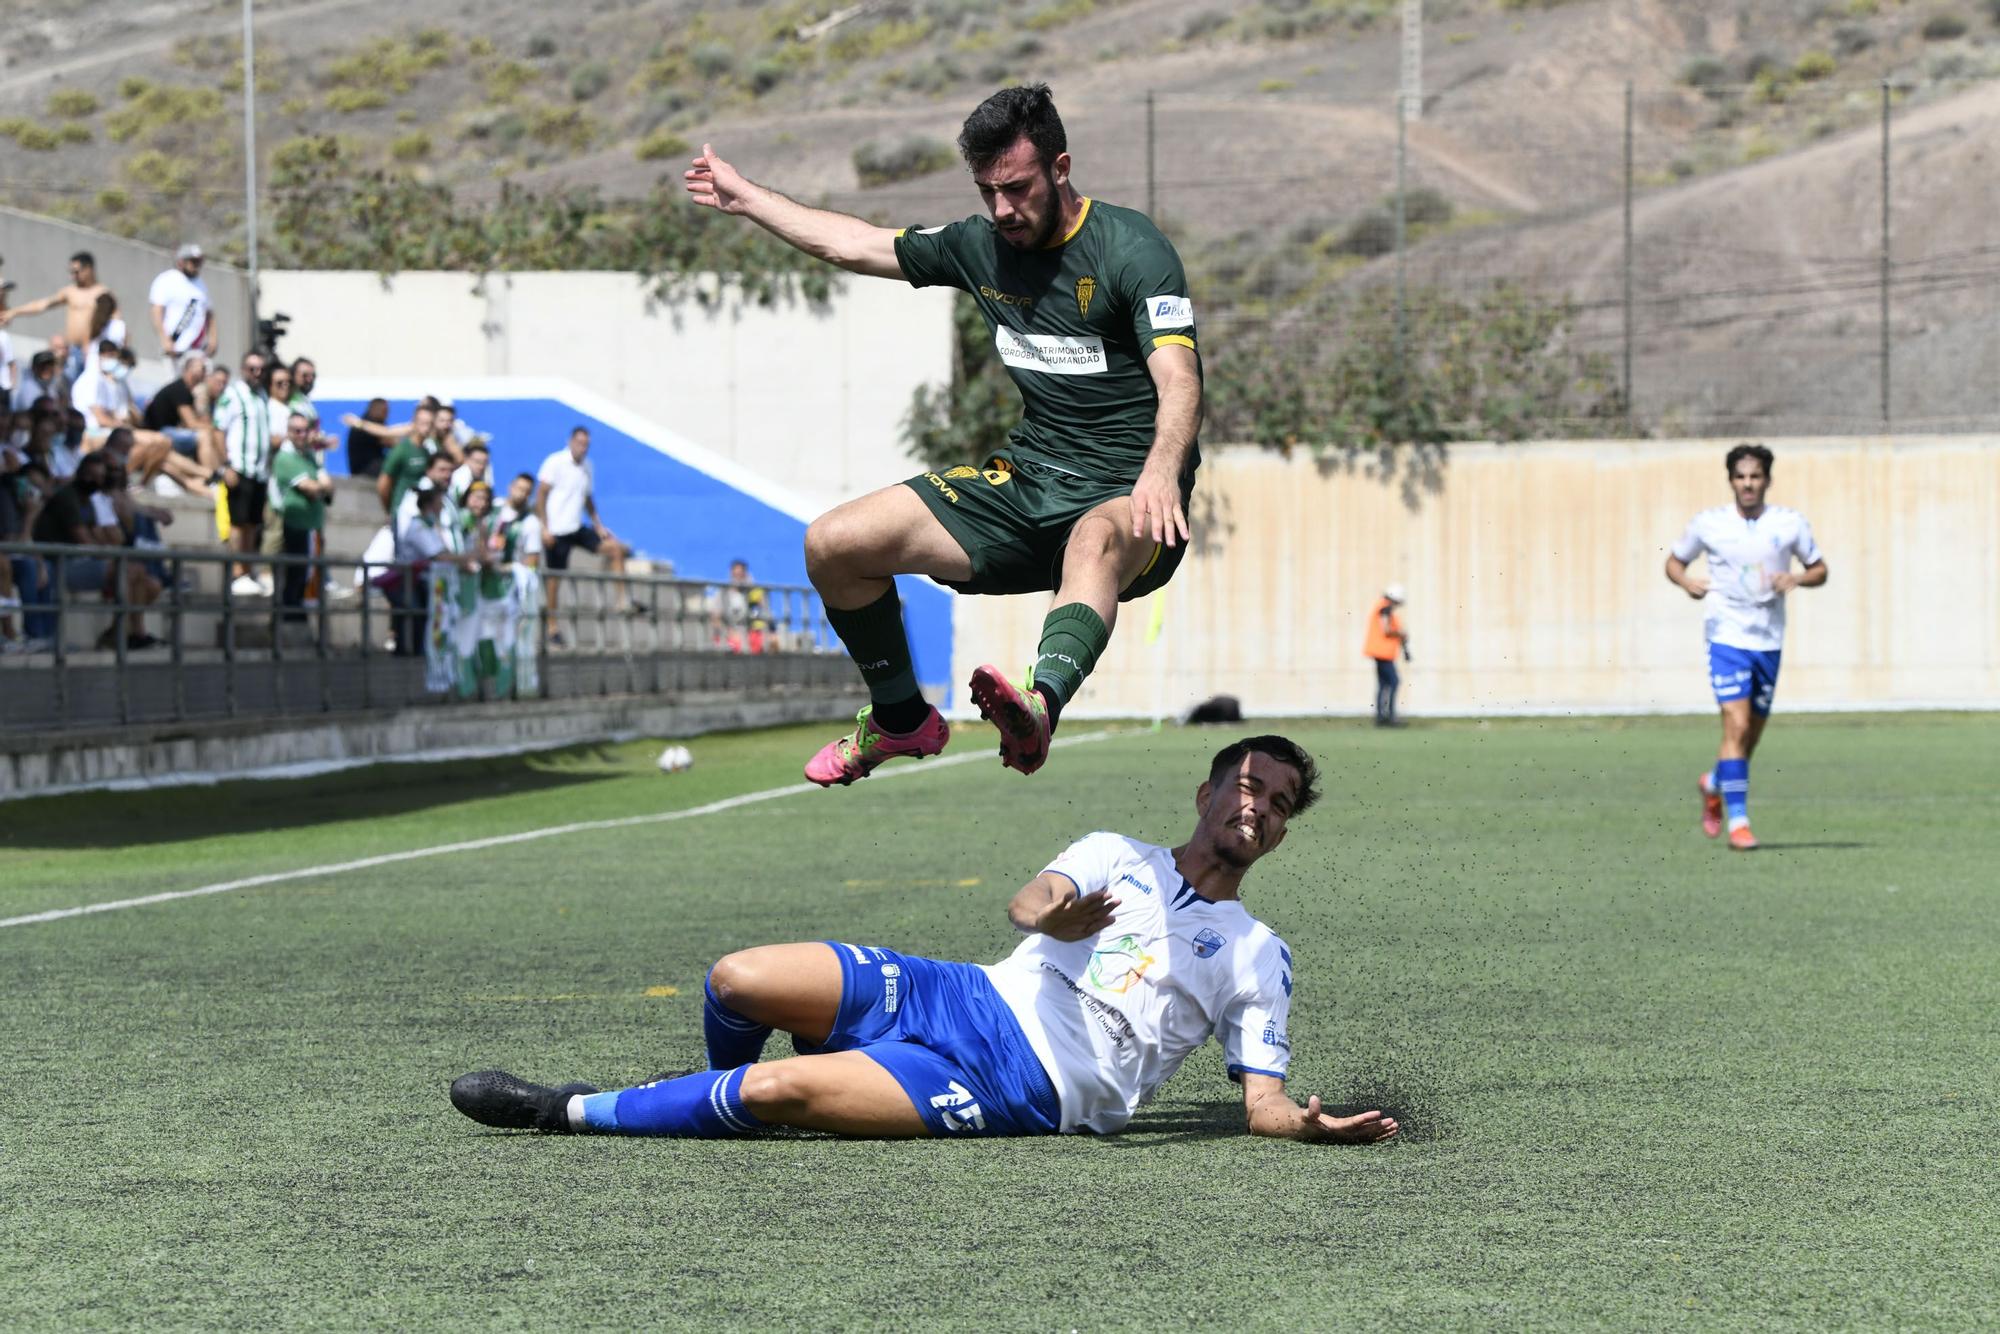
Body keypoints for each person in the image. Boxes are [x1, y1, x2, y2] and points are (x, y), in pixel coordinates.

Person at [451, 735, 1400, 1147]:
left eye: (1276, 804)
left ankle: (569, 1111)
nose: (1256, 806)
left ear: (1281, 831)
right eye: (1245, 784)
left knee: (777, 1087)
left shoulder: (1256, 952)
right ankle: (699, 1097)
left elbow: (1262, 1106)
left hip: (1024, 1086)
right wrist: (1055, 918)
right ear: (1206, 791)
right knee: (736, 979)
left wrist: (1310, 1127)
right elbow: (1032, 903)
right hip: (959, 993)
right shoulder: (1119, 852)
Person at [686, 83, 1203, 786]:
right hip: (1025, 486)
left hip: (1127, 496)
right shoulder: (980, 247)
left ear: (1060, 167)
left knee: (1094, 538)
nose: (1002, 210)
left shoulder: (1132, 251)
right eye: (988, 191)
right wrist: (747, 197)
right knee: (833, 545)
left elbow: (1179, 378)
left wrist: (1161, 470)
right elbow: (854, 244)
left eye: (1016, 189)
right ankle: (901, 721)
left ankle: (1036, 711)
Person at [1665, 443, 1828, 852]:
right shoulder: (1709, 523)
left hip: (1768, 638)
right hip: (1726, 635)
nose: (1748, 484)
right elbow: (1674, 562)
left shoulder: (1789, 523)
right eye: (1741, 477)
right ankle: (1739, 822)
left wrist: (1797, 580)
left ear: (1767, 480)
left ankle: (1715, 783)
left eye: (1755, 476)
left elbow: (1819, 569)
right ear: (1731, 481)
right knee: (1734, 727)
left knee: (1749, 737)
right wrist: (1687, 584)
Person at [534, 425, 633, 645]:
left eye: (586, 444)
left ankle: (622, 601)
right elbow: (541, 495)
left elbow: (587, 497)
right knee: (554, 580)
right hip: (557, 529)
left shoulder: (587, 466)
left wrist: (598, 525)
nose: (583, 448)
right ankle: (552, 627)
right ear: (570, 442)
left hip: (576, 526)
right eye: (579, 443)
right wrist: (544, 527)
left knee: (615, 549)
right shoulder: (555, 462)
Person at [214, 348, 273, 595]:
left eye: (260, 369)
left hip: (259, 471)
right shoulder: (232, 395)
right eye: (252, 368)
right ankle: (238, 571)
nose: (257, 373)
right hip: (239, 467)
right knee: (238, 523)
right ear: (243, 370)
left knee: (252, 523)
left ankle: (248, 569)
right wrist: (225, 465)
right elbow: (218, 431)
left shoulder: (262, 396)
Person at [0, 251, 113, 379]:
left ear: (89, 269)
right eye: (71, 272)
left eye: (76, 271)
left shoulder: (104, 295)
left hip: (92, 352)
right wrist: (15, 312)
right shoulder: (70, 291)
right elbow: (42, 305)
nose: (73, 276)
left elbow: (117, 327)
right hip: (72, 352)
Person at [269, 412, 334, 621]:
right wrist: (321, 488)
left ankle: (298, 617)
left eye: (305, 430)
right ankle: (290, 619)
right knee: (295, 576)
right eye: (296, 430)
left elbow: (328, 487)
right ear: (288, 432)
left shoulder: (309, 457)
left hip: (313, 525)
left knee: (307, 576)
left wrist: (321, 488)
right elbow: (312, 488)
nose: (302, 435)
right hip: (295, 524)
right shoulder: (285, 458)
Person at [142, 351, 224, 474]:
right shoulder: (180, 389)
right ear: (190, 369)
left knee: (209, 432)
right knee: (204, 435)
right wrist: (214, 428)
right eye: (202, 368)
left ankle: (219, 472)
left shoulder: (187, 390)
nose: (205, 372)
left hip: (167, 430)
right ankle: (211, 475)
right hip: (160, 432)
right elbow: (191, 424)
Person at [148, 242, 219, 360]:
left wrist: (213, 338)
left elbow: (209, 313)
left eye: (199, 262)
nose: (197, 265)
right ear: (181, 262)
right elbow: (156, 311)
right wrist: (164, 339)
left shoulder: (200, 284)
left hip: (196, 350)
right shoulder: (167, 279)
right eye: (193, 261)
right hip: (174, 346)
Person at [1362, 584, 1411, 727]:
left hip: (1380, 652)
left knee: (1384, 684)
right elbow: (1386, 630)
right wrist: (1401, 634)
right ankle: (1389, 716)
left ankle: (1381, 716)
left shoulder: (1381, 606)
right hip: (1383, 653)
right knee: (1393, 682)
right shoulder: (1385, 608)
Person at [344, 397, 391, 478]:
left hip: (366, 468)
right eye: (384, 411)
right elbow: (390, 441)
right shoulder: (368, 425)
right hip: (365, 470)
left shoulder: (366, 422)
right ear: (374, 409)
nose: (387, 414)